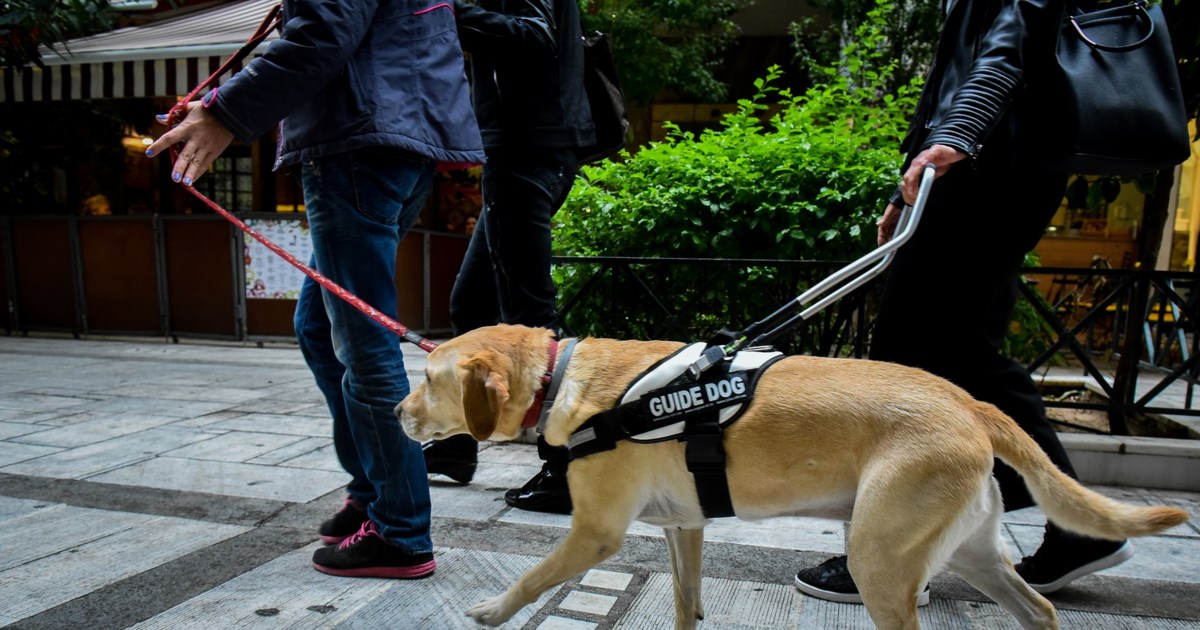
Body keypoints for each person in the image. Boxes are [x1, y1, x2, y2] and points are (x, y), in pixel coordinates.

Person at [792, 0, 1131, 605]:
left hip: (983, 176)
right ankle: (1075, 529)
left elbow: (1008, 54)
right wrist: (912, 176)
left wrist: (954, 137)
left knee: (905, 366)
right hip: (990, 174)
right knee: (967, 361)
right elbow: (966, 72)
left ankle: (894, 562)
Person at [145, 0, 483, 579]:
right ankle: (372, 490)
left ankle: (401, 530)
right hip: (397, 135)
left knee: (363, 346)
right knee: (321, 327)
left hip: (358, 139)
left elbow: (322, 34)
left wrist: (226, 111)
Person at [419, 0, 594, 516]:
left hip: (526, 150)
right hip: (524, 149)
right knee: (471, 303)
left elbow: (534, 35)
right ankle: (457, 443)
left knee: (534, 319)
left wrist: (446, 10)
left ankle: (566, 470)